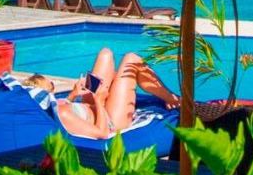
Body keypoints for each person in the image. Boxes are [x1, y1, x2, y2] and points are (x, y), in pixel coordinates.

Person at [34, 48, 179, 140]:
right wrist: (99, 100)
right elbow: (102, 133)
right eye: (51, 85)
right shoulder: (63, 114)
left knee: (105, 54)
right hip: (110, 119)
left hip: (91, 105)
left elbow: (64, 108)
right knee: (132, 60)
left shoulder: (55, 106)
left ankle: (116, 83)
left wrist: (73, 94)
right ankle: (174, 100)